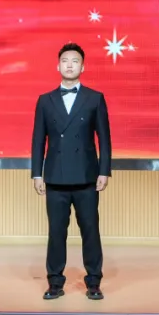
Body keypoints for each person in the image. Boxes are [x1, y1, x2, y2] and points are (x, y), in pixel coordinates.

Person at [31, 43, 112, 300]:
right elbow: (38, 140)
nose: (69, 65)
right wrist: (36, 174)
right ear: (58, 66)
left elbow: (104, 139)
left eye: (75, 61)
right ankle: (55, 282)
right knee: (56, 233)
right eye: (65, 60)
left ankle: (94, 282)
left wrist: (104, 171)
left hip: (87, 177)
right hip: (55, 177)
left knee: (90, 230)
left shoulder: (95, 98)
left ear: (82, 67)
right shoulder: (45, 100)